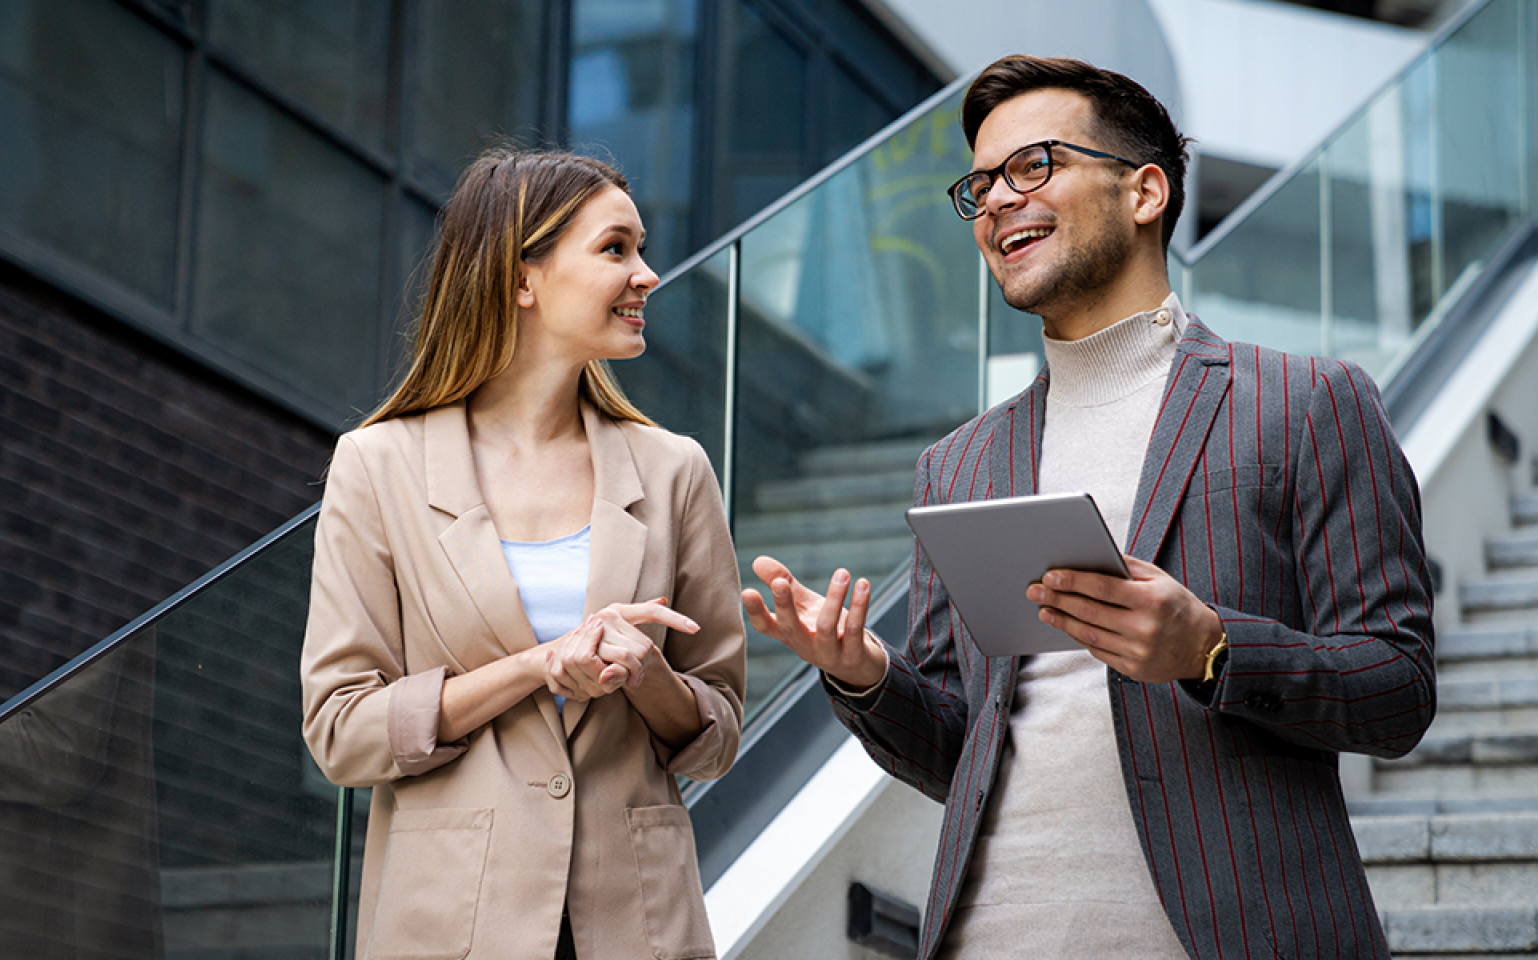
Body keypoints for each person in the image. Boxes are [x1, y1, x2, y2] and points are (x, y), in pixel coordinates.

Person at [743, 55, 1434, 959]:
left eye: (1034, 166)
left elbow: (1396, 689)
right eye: (980, 184)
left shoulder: (1305, 404)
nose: (995, 200)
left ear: (1144, 192)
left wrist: (1213, 650)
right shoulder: (959, 464)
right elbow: (962, 752)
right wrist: (865, 677)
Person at [301, 148, 746, 960]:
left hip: (636, 925)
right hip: (449, 925)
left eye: (642, 249)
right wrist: (536, 667)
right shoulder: (377, 466)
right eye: (616, 249)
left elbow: (717, 731)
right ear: (520, 278)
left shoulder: (675, 469)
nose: (647, 274)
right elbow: (341, 731)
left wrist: (646, 676)